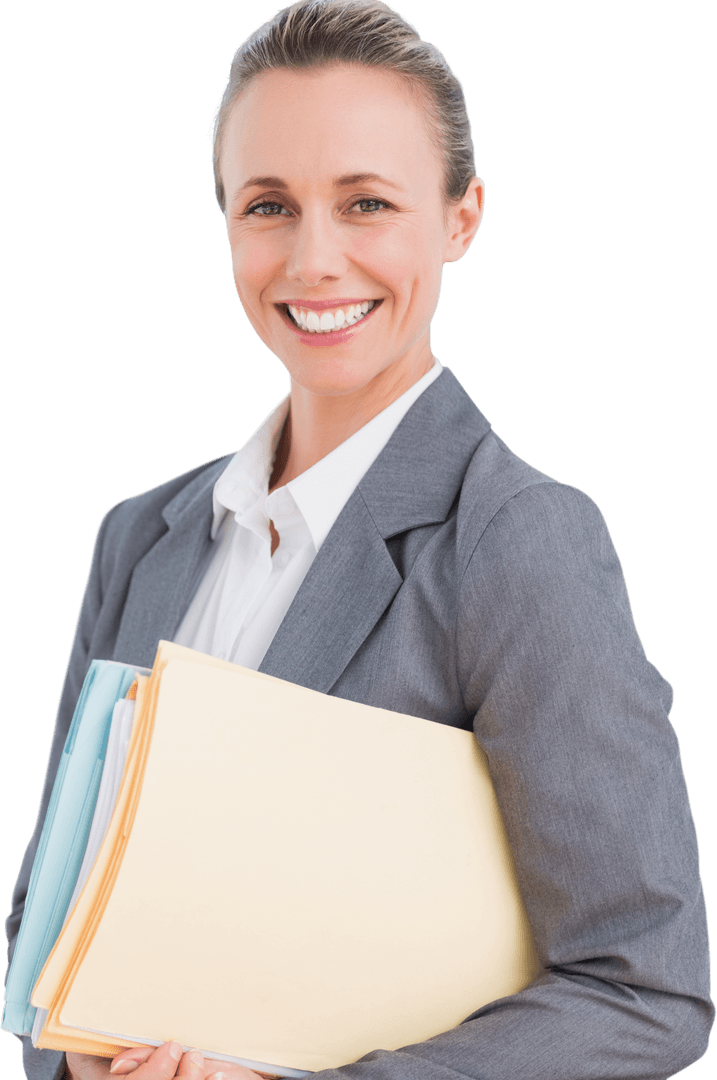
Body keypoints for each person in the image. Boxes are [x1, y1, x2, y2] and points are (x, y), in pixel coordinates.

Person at [4, 2, 713, 1079]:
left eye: (367, 203)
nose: (314, 258)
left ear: (461, 219)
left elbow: (645, 991)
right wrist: (85, 1047)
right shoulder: (139, 537)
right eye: (269, 206)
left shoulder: (518, 540)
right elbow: (50, 917)